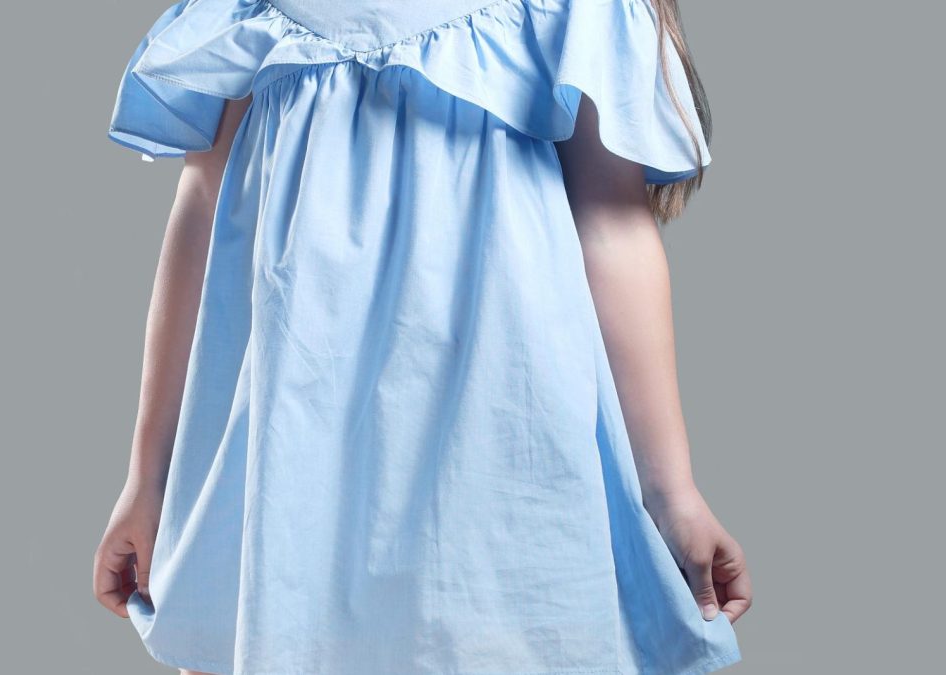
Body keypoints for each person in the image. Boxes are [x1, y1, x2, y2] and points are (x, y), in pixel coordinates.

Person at [91, 1, 753, 673]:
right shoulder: (247, 10)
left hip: (504, 452)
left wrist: (671, 491)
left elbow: (612, 229)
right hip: (286, 459)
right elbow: (204, 216)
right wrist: (149, 477)